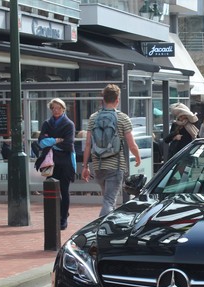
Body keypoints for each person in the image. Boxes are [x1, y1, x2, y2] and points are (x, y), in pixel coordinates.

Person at [81, 84, 141, 217]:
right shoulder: (122, 118)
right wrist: (138, 157)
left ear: (103, 99)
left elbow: (88, 144)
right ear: (117, 100)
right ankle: (101, 228)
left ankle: (109, 227)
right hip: (115, 165)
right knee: (109, 201)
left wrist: (85, 166)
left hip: (98, 165)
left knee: (107, 199)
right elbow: (131, 144)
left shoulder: (93, 117)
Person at [35, 98, 75, 230]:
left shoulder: (69, 124)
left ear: (63, 109)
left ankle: (63, 218)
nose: (56, 111)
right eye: (53, 108)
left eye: (58, 108)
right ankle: (56, 215)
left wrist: (50, 143)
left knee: (64, 191)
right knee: (51, 190)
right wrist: (56, 140)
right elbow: (41, 142)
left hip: (65, 162)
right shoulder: (47, 123)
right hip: (49, 161)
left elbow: (68, 144)